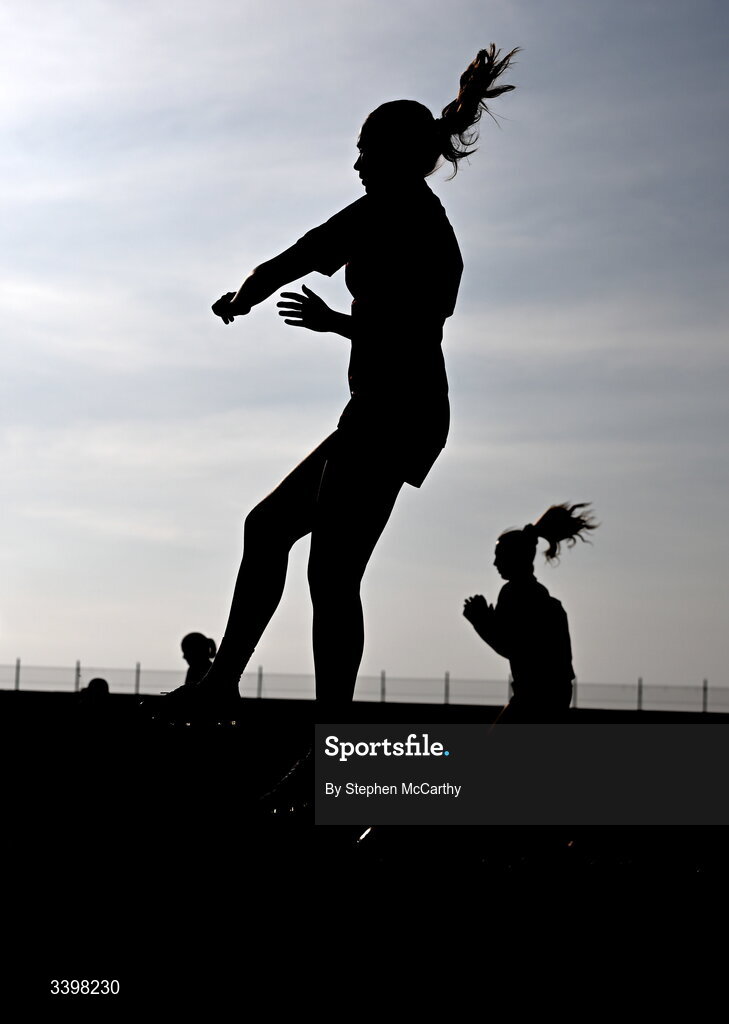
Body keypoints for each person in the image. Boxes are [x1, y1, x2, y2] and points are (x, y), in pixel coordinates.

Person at [168, 45, 520, 719]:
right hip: (374, 410)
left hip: (403, 412)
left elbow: (416, 334)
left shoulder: (419, 224)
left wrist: (334, 324)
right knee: (267, 528)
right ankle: (221, 684)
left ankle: (334, 739)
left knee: (331, 574)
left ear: (392, 156)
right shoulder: (378, 212)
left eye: (364, 151)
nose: (355, 164)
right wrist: (246, 295)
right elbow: (304, 250)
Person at [463, 503, 597, 722]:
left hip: (535, 697)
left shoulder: (515, 593)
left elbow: (511, 647)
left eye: (500, 555)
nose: (495, 562)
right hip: (553, 695)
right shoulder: (538, 596)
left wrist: (480, 621)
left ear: (515, 558)